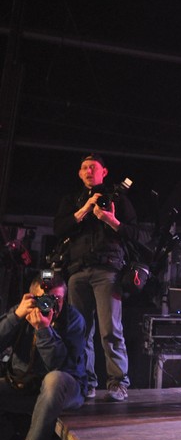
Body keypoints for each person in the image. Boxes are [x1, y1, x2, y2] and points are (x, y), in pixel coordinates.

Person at [53, 154, 138, 402]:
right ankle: (86, 382)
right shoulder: (72, 200)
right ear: (80, 174)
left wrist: (111, 220)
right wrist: (85, 209)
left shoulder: (118, 199)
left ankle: (118, 383)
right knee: (80, 332)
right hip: (77, 271)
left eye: (93, 167)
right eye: (84, 168)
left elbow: (136, 233)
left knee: (110, 329)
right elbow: (59, 229)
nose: (89, 171)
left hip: (107, 270)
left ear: (104, 172)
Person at [0, 273, 86, 440]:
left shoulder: (73, 319)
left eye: (57, 299)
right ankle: (9, 437)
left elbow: (60, 366)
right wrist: (15, 317)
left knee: (54, 379)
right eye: (43, 299)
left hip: (65, 390)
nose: (50, 305)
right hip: (26, 388)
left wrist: (44, 330)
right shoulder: (22, 311)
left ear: (65, 298)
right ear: (31, 297)